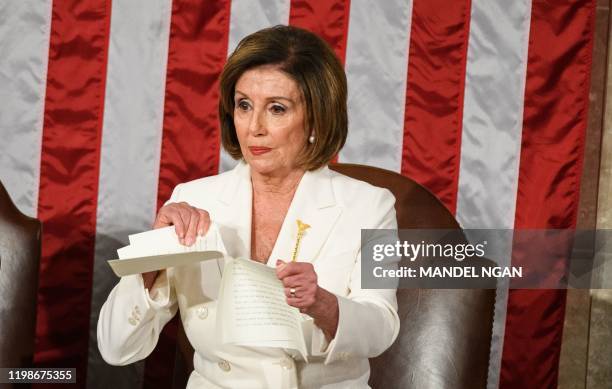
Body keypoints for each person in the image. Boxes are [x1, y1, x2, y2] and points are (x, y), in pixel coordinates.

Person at [97, 25, 400, 388]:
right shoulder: (192, 200)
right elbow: (116, 349)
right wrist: (150, 263)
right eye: (243, 105)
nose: (254, 127)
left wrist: (323, 304)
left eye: (277, 108)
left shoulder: (371, 206)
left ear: (317, 117)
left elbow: (382, 326)